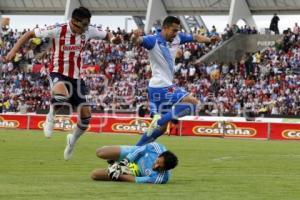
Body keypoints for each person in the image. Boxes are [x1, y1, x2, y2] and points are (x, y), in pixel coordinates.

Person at [5, 7, 121, 160]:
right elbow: (29, 34)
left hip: (77, 78)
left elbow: (108, 35)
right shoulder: (58, 29)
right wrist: (13, 51)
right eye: (83, 25)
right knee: (61, 96)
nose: (85, 29)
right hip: (58, 72)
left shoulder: (89, 30)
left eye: (87, 25)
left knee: (86, 118)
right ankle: (51, 116)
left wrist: (114, 40)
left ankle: (71, 142)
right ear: (74, 22)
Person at [130, 16, 219, 146]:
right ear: (165, 28)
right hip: (161, 85)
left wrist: (209, 40)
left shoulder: (177, 38)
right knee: (193, 103)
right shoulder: (153, 40)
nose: (176, 33)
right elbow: (137, 41)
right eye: (174, 30)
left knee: (160, 130)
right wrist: (134, 37)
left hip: (157, 87)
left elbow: (195, 37)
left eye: (178, 30)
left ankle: (134, 151)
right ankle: (159, 120)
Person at [90, 142, 178, 184]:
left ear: (166, 169)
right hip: (134, 154)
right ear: (159, 156)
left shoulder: (161, 178)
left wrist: (117, 174)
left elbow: (136, 180)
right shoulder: (157, 148)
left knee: (94, 175)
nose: (156, 166)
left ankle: (114, 165)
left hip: (134, 172)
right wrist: (125, 161)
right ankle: (115, 161)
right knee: (100, 152)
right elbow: (139, 151)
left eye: (160, 167)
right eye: (157, 162)